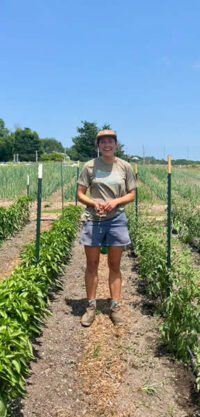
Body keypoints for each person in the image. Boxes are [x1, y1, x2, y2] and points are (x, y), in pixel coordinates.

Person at [77, 129, 137, 327]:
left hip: (116, 219)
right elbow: (80, 194)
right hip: (93, 219)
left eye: (111, 141)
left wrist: (116, 201)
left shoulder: (124, 167)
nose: (107, 145)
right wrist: (94, 203)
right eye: (103, 142)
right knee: (92, 264)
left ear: (116, 144)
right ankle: (91, 306)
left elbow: (131, 194)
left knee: (114, 265)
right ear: (98, 146)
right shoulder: (89, 166)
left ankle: (115, 306)